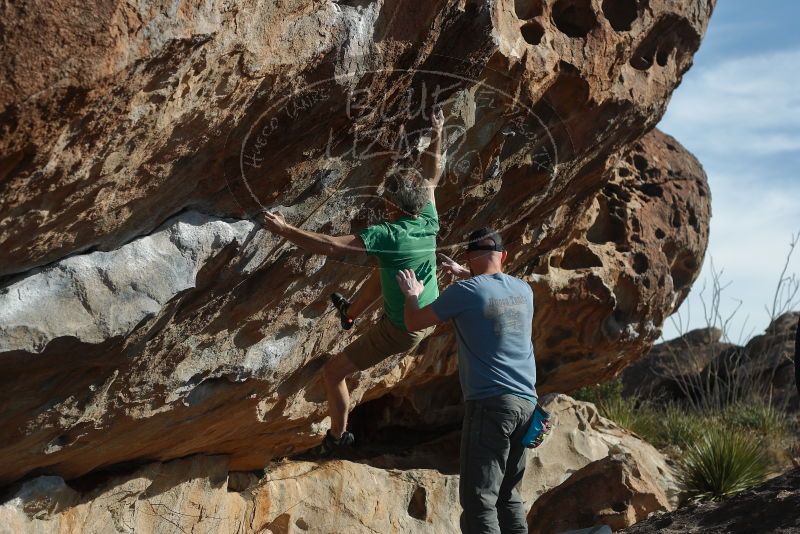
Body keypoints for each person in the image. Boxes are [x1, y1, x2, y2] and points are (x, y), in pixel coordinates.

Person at [261, 109, 445, 458]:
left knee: (334, 374)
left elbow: (332, 246)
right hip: (427, 310)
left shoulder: (388, 234)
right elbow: (432, 174)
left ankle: (338, 437)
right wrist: (438, 132)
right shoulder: (428, 218)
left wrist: (285, 230)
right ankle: (351, 312)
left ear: (390, 204)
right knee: (386, 268)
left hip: (402, 328)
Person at [397, 228, 537, 534]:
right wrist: (466, 273)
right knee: (508, 497)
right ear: (504, 256)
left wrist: (411, 295)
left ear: (468, 257)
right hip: (527, 405)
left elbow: (413, 322)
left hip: (491, 404)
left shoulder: (466, 292)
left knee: (479, 499)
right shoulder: (523, 291)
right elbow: (491, 293)